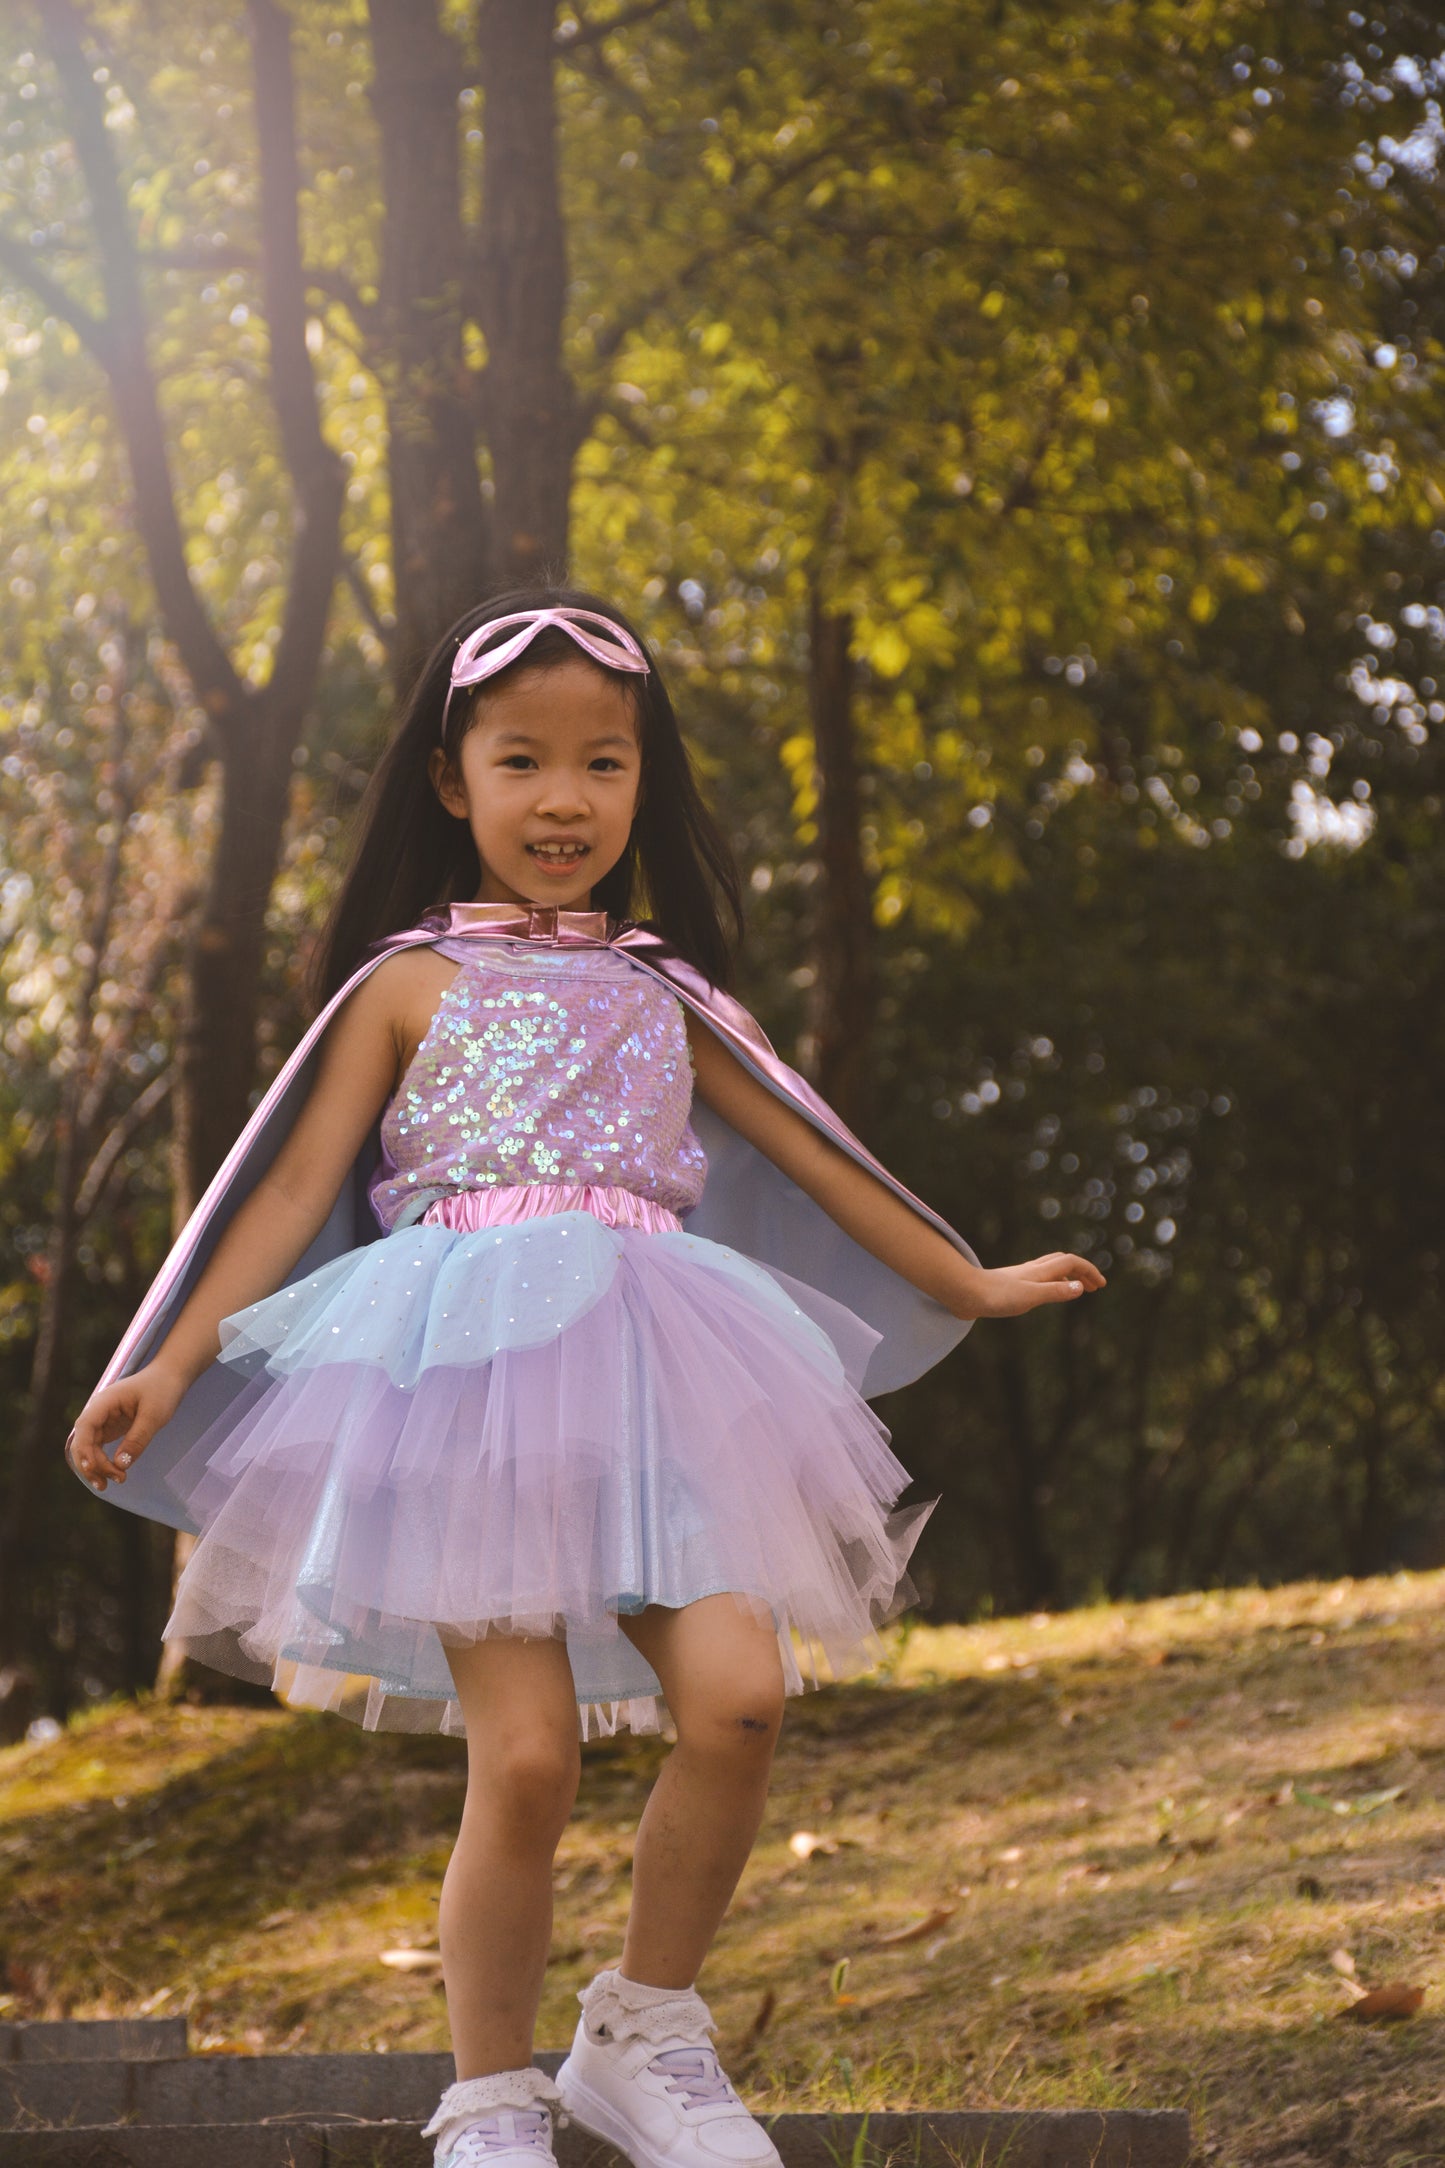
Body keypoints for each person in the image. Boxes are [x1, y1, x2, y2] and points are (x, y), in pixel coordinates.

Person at [64, 587, 1105, 2168]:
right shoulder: (402, 984)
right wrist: (168, 1353)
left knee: (741, 1703)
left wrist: (966, 1279)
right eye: (524, 760)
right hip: (462, 1383)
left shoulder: (668, 994)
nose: (564, 800)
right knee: (530, 1753)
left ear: (642, 782)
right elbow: (284, 1192)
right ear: (449, 778)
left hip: (659, 1369)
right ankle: (487, 2096)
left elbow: (821, 1160)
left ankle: (640, 2029)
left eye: (603, 764)